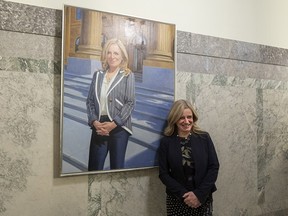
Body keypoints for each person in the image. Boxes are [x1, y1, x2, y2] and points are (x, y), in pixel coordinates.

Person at [158, 99, 220, 216]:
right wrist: (185, 195)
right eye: (181, 117)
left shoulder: (204, 137)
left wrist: (199, 195)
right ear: (174, 119)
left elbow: (214, 167)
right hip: (177, 199)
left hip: (202, 198)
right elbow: (163, 174)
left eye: (189, 117)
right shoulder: (166, 142)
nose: (186, 121)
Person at [86, 38, 135, 171]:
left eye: (116, 53)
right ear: (105, 55)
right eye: (109, 52)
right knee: (94, 169)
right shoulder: (98, 75)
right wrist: (94, 121)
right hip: (99, 126)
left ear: (122, 56)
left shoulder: (127, 75)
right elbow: (90, 101)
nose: (112, 56)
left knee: (116, 169)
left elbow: (130, 103)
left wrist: (114, 124)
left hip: (119, 127)